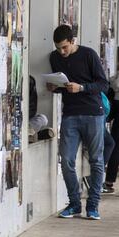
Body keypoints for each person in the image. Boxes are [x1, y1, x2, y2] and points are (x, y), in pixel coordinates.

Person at [47, 25, 109, 220]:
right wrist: (54, 88)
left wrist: (81, 87)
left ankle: (93, 206)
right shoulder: (54, 58)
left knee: (96, 161)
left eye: (64, 47)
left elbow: (103, 84)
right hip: (70, 115)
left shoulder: (89, 55)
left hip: (93, 113)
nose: (61, 52)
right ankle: (74, 204)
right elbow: (63, 86)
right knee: (66, 160)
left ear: (73, 41)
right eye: (58, 48)